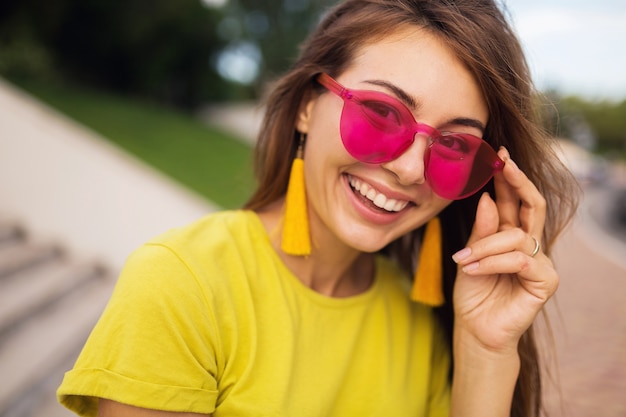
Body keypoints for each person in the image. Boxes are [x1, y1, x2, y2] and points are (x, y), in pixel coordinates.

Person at [57, 0, 580, 416]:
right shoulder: (182, 283)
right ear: (309, 104)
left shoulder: (426, 322)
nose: (410, 170)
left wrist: (486, 350)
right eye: (381, 112)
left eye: (454, 145)